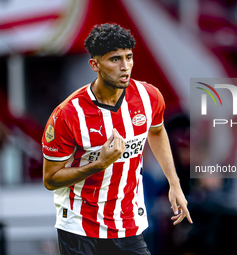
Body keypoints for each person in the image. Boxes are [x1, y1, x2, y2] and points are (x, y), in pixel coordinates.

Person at [42, 23, 192, 255]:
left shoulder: (148, 96)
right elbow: (51, 179)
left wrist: (175, 183)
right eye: (115, 59)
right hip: (79, 225)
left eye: (129, 57)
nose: (125, 67)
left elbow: (157, 130)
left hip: (127, 223)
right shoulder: (68, 114)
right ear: (95, 65)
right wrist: (99, 163)